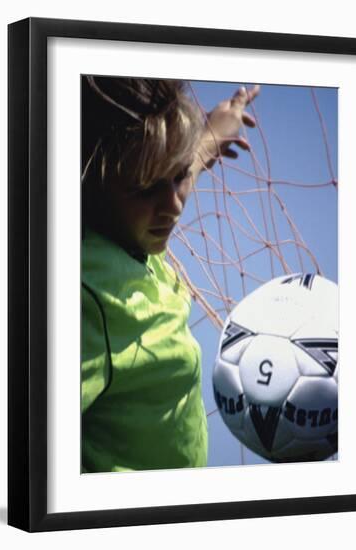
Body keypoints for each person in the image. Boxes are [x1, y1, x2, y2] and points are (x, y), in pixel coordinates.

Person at [81, 76, 259, 473]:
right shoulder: (82, 299)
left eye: (180, 176)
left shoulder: (133, 227)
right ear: (91, 185)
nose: (174, 206)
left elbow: (173, 168)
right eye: (147, 189)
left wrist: (210, 137)